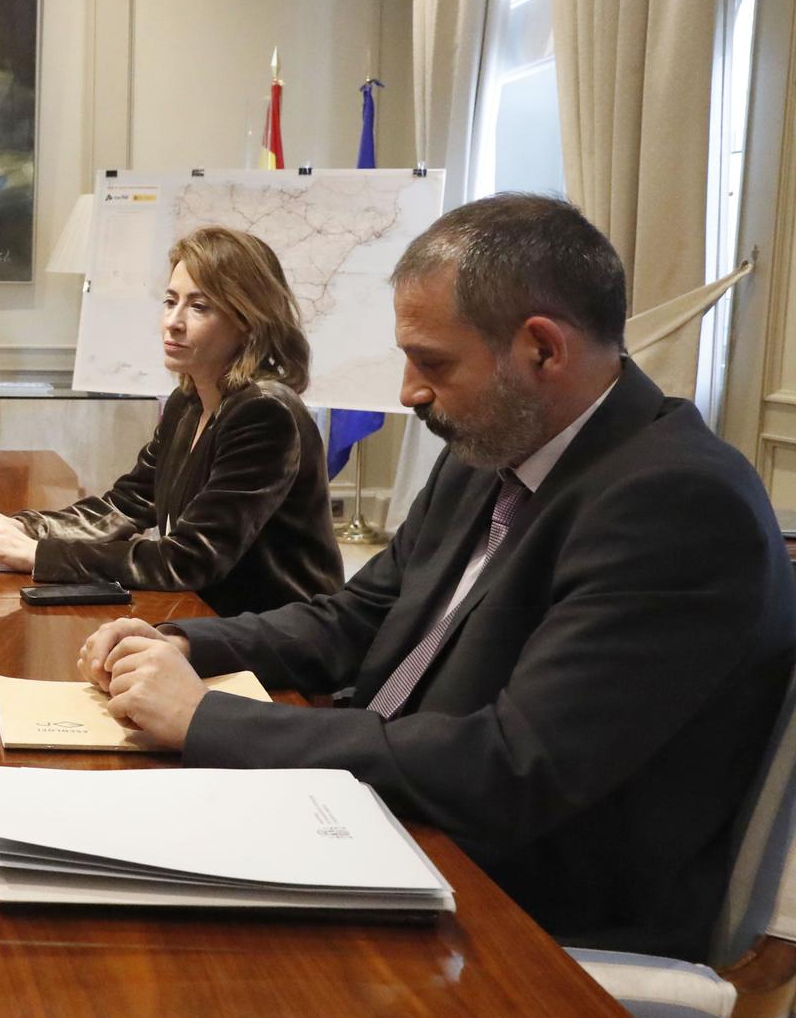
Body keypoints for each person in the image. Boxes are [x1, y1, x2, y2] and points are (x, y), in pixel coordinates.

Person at [78, 192, 796, 959]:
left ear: (542, 350)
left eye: (432, 362)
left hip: (507, 915)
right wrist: (186, 643)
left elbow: (512, 768)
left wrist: (207, 720)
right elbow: (356, 617)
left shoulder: (677, 503)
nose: (407, 392)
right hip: (385, 826)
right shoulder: (494, 447)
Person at [0, 225, 342, 615]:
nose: (173, 322)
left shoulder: (265, 413)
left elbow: (189, 560)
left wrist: (40, 555)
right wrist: (24, 528)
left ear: (248, 321)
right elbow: (127, 505)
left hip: (275, 636)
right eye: (170, 301)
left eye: (199, 307)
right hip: (208, 615)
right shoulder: (189, 401)